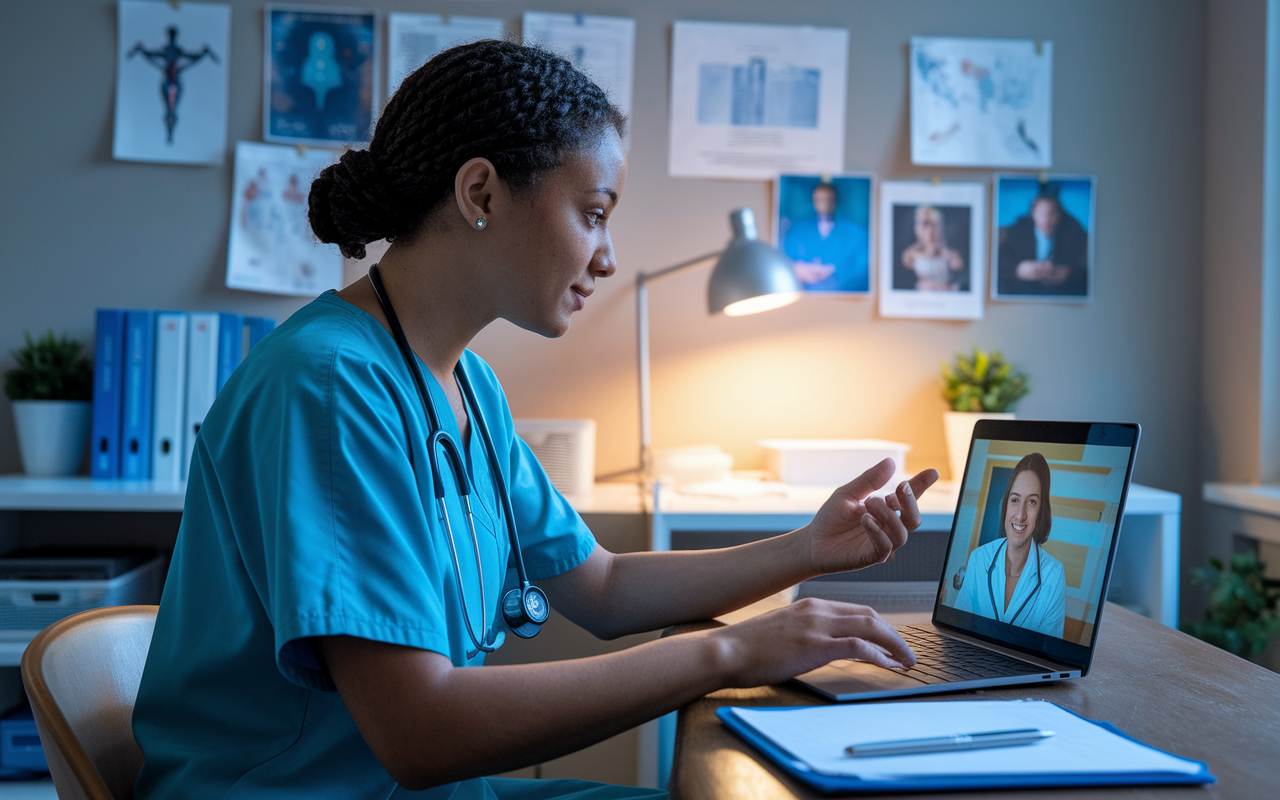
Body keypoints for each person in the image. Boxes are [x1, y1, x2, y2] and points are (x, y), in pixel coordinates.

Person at [131, 41, 939, 800]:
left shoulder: (468, 388)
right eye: (594, 212)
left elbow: (604, 586)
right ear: (480, 193)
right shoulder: (330, 386)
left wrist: (806, 548)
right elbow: (420, 732)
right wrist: (727, 652)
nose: (610, 255)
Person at [952, 453, 1066, 638]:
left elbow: (1049, 650)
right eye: (1015, 500)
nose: (1020, 515)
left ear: (1041, 510)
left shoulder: (1054, 574)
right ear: (1006, 505)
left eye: (1031, 502)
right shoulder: (978, 558)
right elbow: (958, 629)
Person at [996, 190, 1089, 297]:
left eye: (1052, 213)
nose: (1047, 219)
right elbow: (998, 261)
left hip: (1058, 294)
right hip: (1023, 293)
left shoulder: (1073, 234)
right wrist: (1017, 269)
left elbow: (1085, 270)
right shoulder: (1016, 231)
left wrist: (1066, 273)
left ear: (1059, 215)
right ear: (1033, 213)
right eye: (1042, 213)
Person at [781, 182, 869, 292]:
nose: (824, 204)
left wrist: (834, 272)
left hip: (841, 292)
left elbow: (861, 267)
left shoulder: (854, 232)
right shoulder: (799, 229)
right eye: (820, 200)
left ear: (835, 201)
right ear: (814, 201)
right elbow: (786, 259)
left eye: (828, 199)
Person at [899, 205, 964, 291]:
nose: (930, 229)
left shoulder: (950, 254)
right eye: (926, 224)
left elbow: (957, 268)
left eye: (934, 225)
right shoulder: (911, 255)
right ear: (918, 227)